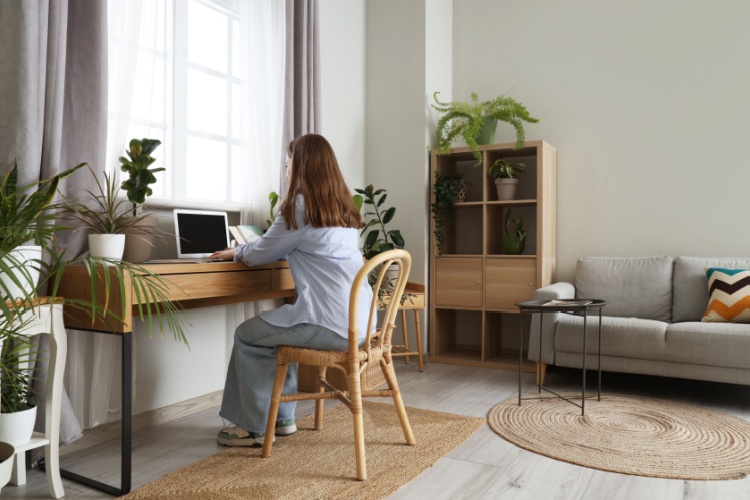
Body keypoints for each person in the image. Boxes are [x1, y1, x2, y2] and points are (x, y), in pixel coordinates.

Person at [209, 133, 372, 447]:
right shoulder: (343, 209)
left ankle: (252, 428)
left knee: (247, 334)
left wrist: (237, 252)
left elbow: (258, 254)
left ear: (300, 167)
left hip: (328, 325)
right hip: (360, 324)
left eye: (287, 165)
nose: (285, 172)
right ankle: (283, 420)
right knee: (284, 327)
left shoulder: (298, 207)